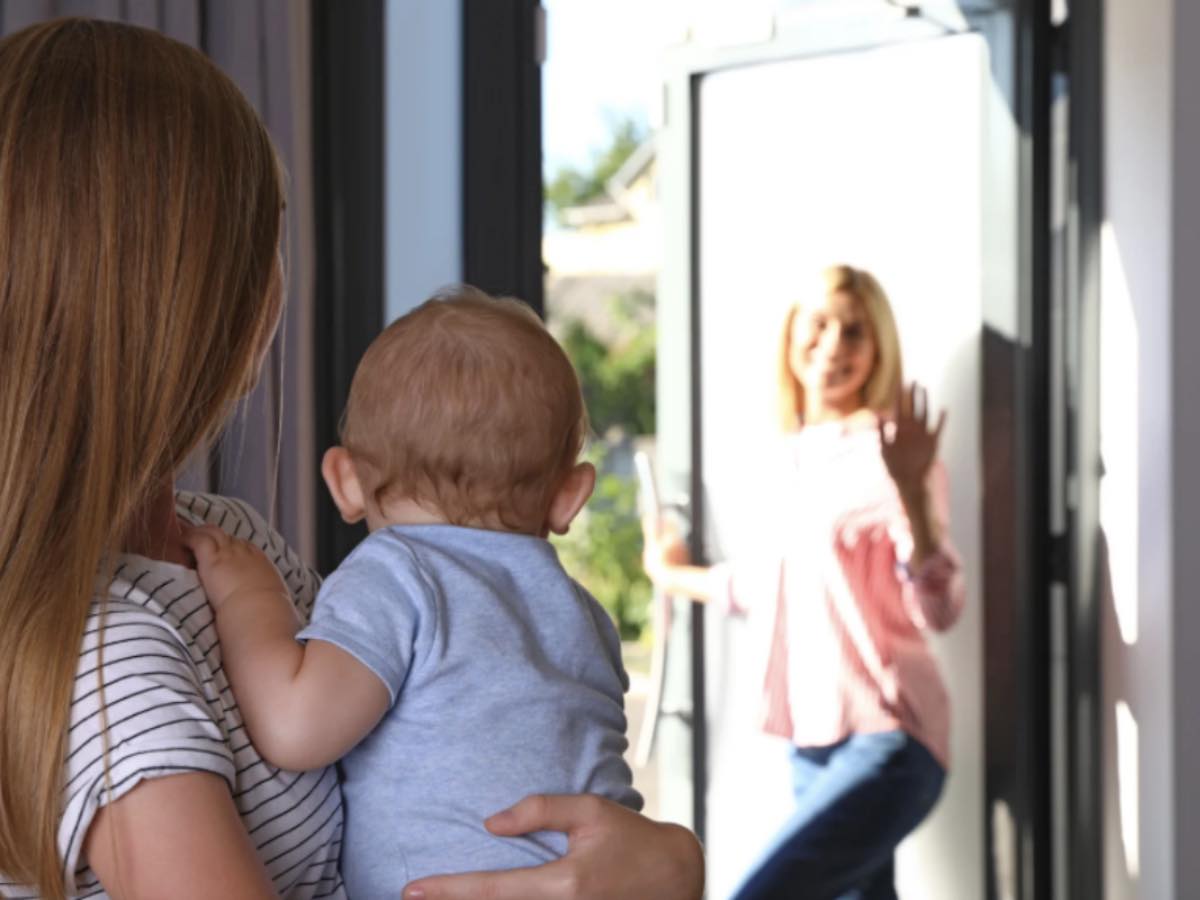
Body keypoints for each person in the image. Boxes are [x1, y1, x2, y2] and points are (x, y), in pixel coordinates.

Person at [0, 18, 703, 900]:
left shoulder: (221, 537)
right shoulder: (109, 659)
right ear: (204, 304)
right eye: (267, 245)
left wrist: (669, 864)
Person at [183, 286, 643, 896]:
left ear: (345, 481)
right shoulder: (583, 615)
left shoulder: (396, 574)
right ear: (570, 496)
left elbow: (296, 728)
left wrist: (251, 601)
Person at [643, 264, 964, 900]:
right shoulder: (786, 456)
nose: (834, 346)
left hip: (891, 736)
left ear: (877, 350)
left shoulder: (893, 452)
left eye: (854, 332)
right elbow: (770, 588)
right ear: (792, 335)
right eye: (819, 325)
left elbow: (941, 606)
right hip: (810, 742)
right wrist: (672, 574)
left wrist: (911, 492)